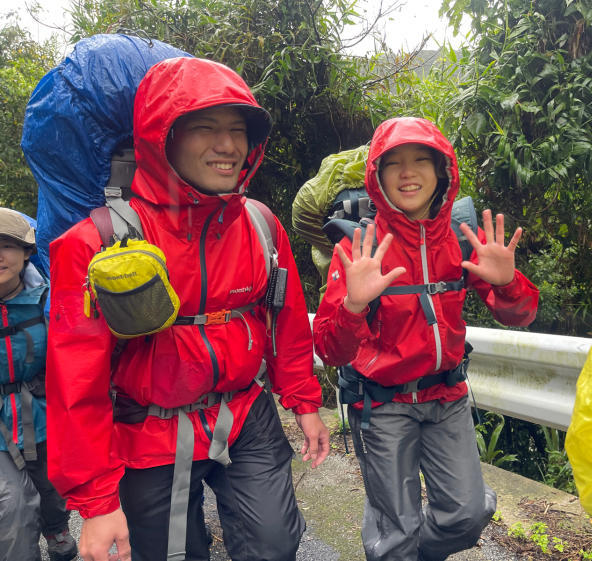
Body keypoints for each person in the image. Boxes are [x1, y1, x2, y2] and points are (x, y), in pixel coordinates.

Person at [46, 57, 330, 561]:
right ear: (161, 137)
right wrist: (95, 502)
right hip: (149, 431)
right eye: (205, 127)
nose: (228, 146)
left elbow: (285, 322)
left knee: (276, 545)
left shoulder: (261, 224)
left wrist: (304, 402)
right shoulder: (97, 244)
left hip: (245, 414)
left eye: (238, 130)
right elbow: (75, 383)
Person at [313, 117, 539, 561]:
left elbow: (522, 314)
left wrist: (508, 282)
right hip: (381, 405)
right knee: (394, 532)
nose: (408, 172)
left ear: (443, 172)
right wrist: (353, 306)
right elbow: (330, 348)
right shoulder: (360, 246)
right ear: (377, 178)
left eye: (421, 160)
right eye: (393, 163)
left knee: (467, 515)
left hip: (446, 398)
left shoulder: (461, 239)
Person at [0, 208, 77, 561]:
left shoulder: (50, 299)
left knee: (52, 492)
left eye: (7, 245)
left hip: (45, 416)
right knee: (13, 507)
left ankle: (58, 530)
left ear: (28, 251)